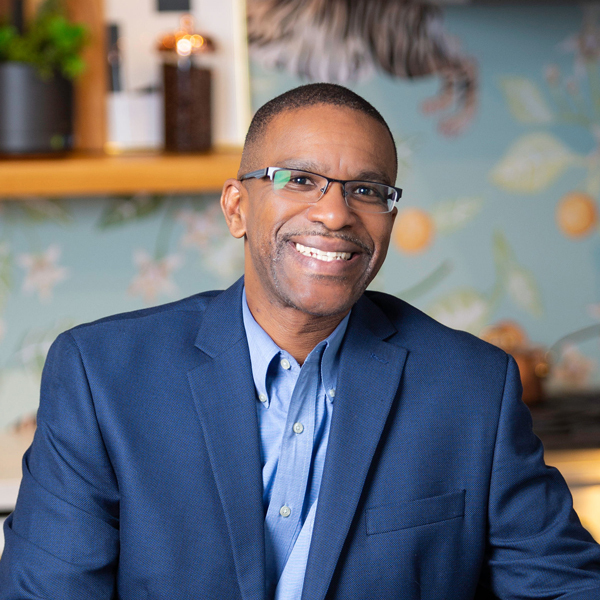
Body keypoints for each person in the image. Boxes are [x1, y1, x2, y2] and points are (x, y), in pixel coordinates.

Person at [1, 83, 599, 600]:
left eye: (367, 190)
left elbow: (564, 584)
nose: (335, 214)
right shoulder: (101, 375)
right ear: (236, 208)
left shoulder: (473, 386)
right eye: (300, 180)